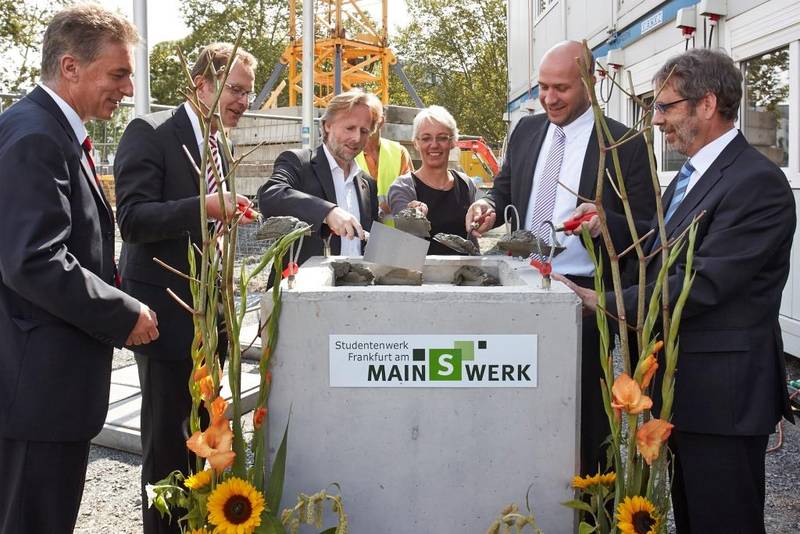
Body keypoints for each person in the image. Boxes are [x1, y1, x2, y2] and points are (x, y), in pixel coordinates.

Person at [559, 48, 795, 533]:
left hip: (723, 398)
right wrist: (609, 225)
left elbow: (702, 283)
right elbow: (663, 250)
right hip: (686, 391)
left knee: (723, 522)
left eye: (666, 107)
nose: (656, 120)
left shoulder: (757, 183)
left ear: (707, 104)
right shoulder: (693, 175)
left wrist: (602, 302)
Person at [0, 5, 159, 533]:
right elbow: (33, 259)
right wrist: (122, 312)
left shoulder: (50, 130)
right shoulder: (37, 136)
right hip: (37, 392)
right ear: (71, 66)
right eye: (118, 73)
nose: (128, 87)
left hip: (43, 387)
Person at [466, 40, 656, 475]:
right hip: (519, 287)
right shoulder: (526, 131)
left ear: (590, 82)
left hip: (582, 298)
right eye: (543, 87)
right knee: (517, 400)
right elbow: (505, 188)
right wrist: (488, 206)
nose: (549, 98)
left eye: (561, 89)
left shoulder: (624, 143)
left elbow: (646, 228)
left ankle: (592, 496)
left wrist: (606, 223)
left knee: (584, 415)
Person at [114, 43, 258, 534]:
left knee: (204, 433)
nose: (242, 101)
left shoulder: (220, 145)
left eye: (247, 93)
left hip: (209, 315)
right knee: (166, 443)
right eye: (234, 89)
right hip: (165, 313)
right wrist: (207, 206)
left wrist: (227, 217)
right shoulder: (150, 131)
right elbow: (133, 219)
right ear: (201, 84)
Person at [257, 89, 381, 265]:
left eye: (364, 131)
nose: (356, 138)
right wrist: (327, 212)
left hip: (355, 281)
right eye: (350, 128)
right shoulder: (298, 162)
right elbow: (270, 195)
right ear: (327, 125)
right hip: (302, 281)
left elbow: (370, 243)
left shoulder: (367, 184)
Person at [388, 105, 480, 254]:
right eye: (426, 138)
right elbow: (406, 243)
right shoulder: (403, 187)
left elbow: (472, 240)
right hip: (420, 268)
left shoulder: (466, 184)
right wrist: (412, 216)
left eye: (442, 138)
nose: (434, 145)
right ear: (416, 143)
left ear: (453, 142)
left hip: (463, 268)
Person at [355, 102, 414, 222]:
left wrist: (387, 206)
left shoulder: (399, 152)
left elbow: (410, 192)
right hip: (360, 230)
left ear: (381, 120)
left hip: (393, 231)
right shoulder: (349, 154)